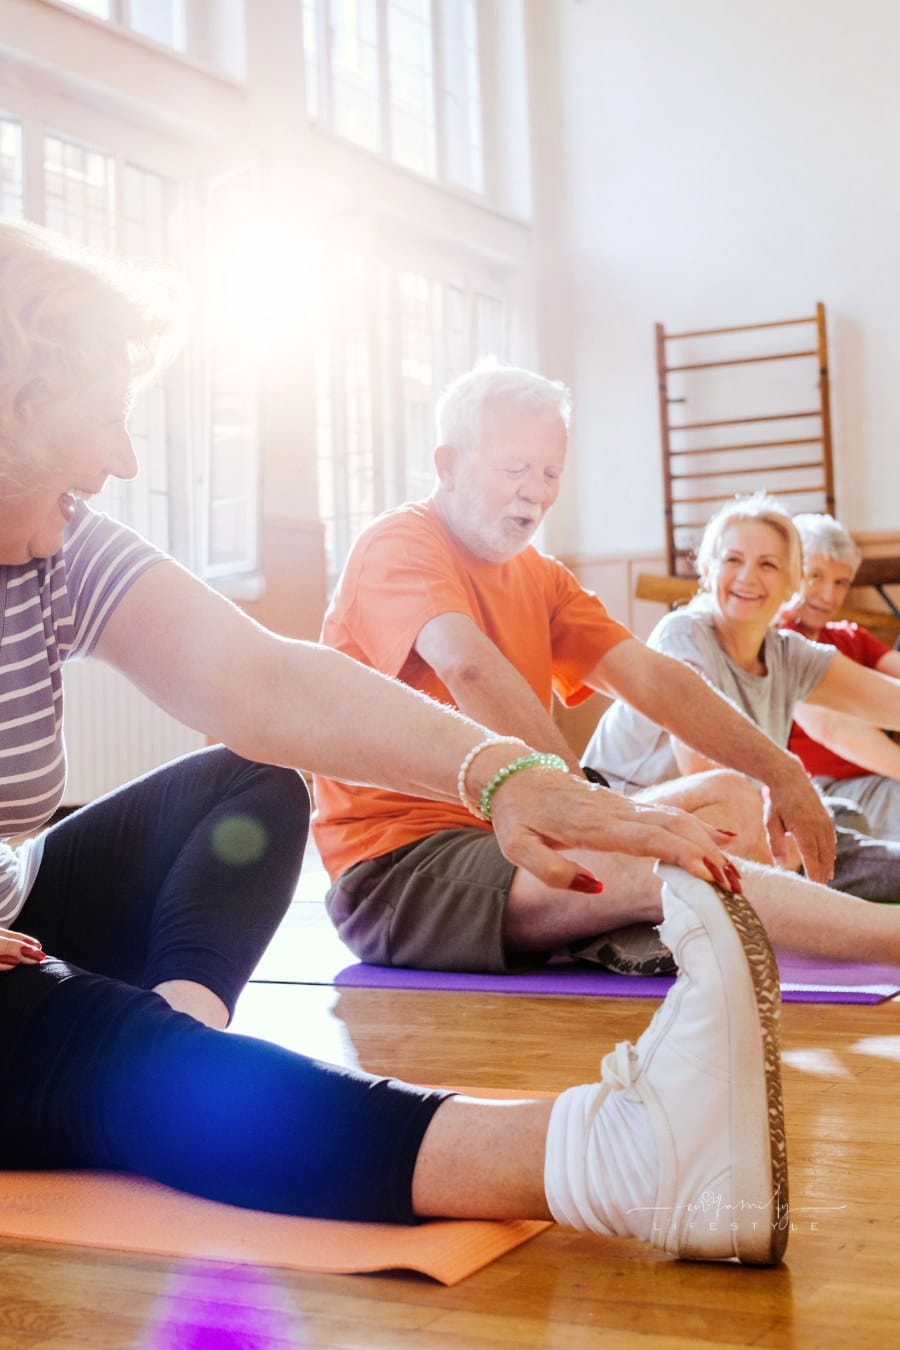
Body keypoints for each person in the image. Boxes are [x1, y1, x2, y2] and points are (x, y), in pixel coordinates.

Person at [0, 218, 789, 1265]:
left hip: (14, 906)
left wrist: (507, 774)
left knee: (249, 784)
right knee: (103, 1049)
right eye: (107, 417)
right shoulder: (401, 547)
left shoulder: (56, 548)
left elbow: (266, 681)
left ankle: (182, 1041)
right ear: (14, 403)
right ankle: (609, 1159)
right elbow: (464, 664)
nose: (127, 457)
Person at [314, 361, 900, 979]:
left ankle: (621, 926)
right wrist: (588, 812)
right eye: (514, 468)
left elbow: (652, 678)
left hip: (522, 837)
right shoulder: (400, 543)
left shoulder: (539, 576)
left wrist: (780, 770)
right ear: (449, 465)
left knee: (732, 797)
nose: (535, 491)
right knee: (663, 865)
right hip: (402, 868)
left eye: (550, 473)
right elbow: (469, 667)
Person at [584, 493, 900, 905]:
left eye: (767, 564)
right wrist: (779, 830)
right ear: (708, 569)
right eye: (733, 560)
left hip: (732, 834)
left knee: (843, 830)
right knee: (764, 823)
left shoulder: (788, 654)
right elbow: (709, 779)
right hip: (637, 831)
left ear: (792, 582)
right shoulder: (682, 634)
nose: (747, 576)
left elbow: (889, 700)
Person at [779, 512, 900, 840]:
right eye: (815, 576)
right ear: (791, 572)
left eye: (840, 582)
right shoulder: (779, 640)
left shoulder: (850, 636)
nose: (828, 595)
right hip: (820, 790)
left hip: (875, 781)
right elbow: (832, 728)